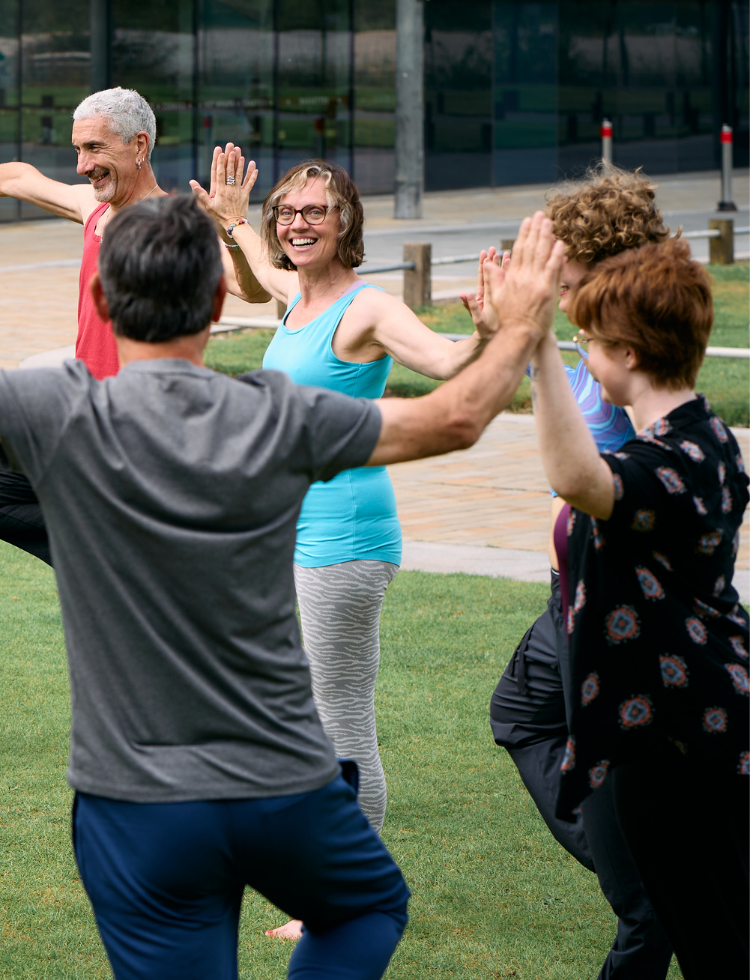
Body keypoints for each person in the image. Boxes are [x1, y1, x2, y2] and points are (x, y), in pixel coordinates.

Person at [0, 197, 564, 979]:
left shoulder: (49, 411)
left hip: (136, 804)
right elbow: (458, 418)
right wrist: (521, 322)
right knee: (367, 908)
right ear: (221, 299)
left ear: (99, 299)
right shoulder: (280, 416)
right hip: (282, 787)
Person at [191, 153, 499, 937]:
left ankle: (345, 893)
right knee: (302, 714)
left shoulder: (367, 309)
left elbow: (442, 360)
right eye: (288, 211)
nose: (297, 222)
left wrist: (493, 331)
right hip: (293, 538)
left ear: (346, 223)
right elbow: (259, 274)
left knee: (341, 721)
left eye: (315, 212)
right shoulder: (300, 295)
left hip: (347, 541)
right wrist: (232, 221)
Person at [524, 237, 749, 979]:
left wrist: (535, 342)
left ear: (628, 351)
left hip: (676, 742)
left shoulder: (670, 464)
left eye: (588, 342)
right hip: (692, 725)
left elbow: (576, 474)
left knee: (715, 944)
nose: (583, 355)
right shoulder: (707, 437)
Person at [484, 167, 677, 980]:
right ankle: (655, 875)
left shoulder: (642, 345)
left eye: (565, 276)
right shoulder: (611, 335)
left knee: (648, 908)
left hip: (616, 613)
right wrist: (527, 347)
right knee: (518, 709)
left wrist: (526, 344)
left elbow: (596, 467)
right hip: (583, 593)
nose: (558, 291)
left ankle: (655, 885)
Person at [0, 86, 269, 567]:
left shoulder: (174, 224)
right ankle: (105, 546)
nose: (82, 165)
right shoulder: (95, 208)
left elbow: (253, 291)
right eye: (78, 150)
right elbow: (19, 177)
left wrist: (231, 229)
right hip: (85, 423)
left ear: (139, 146)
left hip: (138, 433)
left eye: (94, 149)